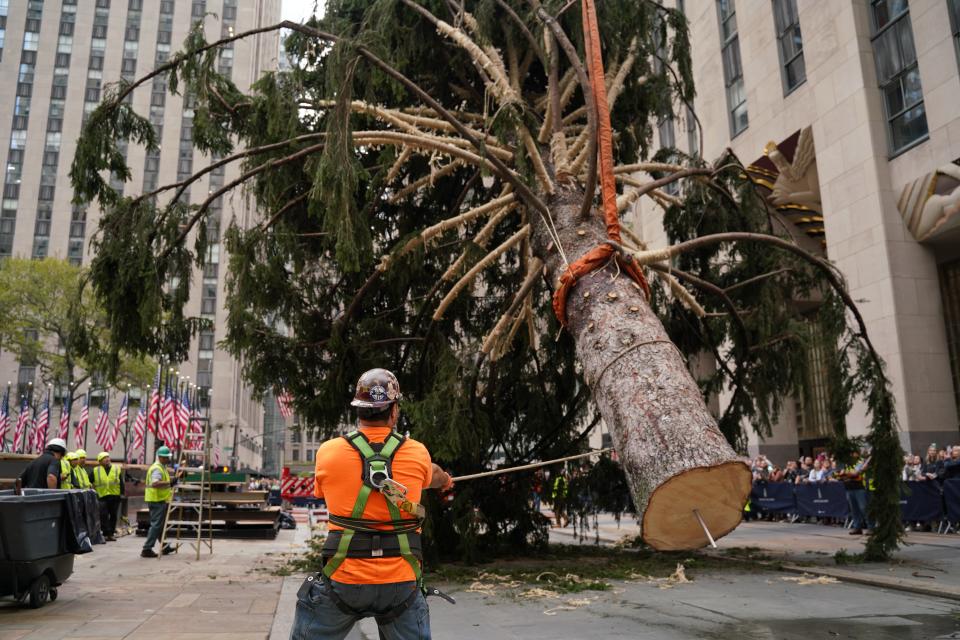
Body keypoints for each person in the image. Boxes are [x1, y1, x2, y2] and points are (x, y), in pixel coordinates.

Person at [291, 368, 453, 640]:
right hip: (400, 580)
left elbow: (321, 492)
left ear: (358, 410)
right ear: (394, 411)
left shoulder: (329, 452)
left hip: (344, 578)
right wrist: (445, 479)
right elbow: (434, 475)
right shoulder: (417, 453)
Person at [141, 446, 177, 558]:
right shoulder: (157, 468)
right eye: (166, 457)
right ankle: (147, 549)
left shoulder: (161, 467)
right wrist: (170, 482)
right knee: (156, 525)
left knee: (160, 525)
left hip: (158, 499)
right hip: (156, 500)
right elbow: (155, 483)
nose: (168, 459)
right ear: (160, 457)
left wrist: (170, 481)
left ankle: (164, 546)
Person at [837, 450, 871, 535]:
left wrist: (845, 474)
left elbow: (855, 474)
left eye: (853, 453)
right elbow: (838, 474)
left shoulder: (860, 462)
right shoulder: (846, 463)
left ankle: (871, 527)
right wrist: (844, 475)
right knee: (854, 509)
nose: (851, 454)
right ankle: (857, 527)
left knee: (864, 508)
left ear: (857, 454)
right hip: (848, 488)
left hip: (860, 488)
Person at [93, 452, 124, 541]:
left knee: (113, 515)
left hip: (114, 496)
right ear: (100, 461)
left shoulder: (116, 469)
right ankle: (105, 533)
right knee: (103, 515)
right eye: (104, 458)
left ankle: (111, 534)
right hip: (102, 496)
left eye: (108, 457)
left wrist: (122, 494)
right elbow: (89, 480)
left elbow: (121, 482)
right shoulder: (96, 470)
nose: (107, 459)